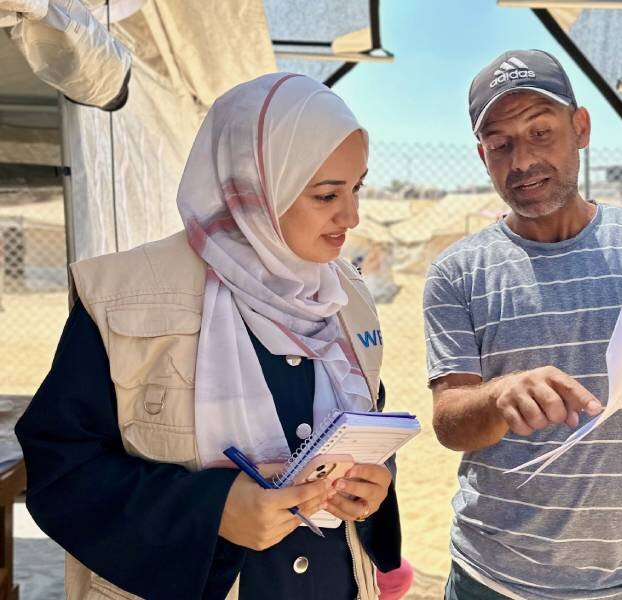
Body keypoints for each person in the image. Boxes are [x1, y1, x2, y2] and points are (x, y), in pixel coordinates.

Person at [16, 73, 403, 600]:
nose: (352, 216)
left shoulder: (345, 295)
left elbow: (366, 423)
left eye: (356, 188)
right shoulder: (122, 295)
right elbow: (63, 468)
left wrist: (373, 487)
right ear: (255, 188)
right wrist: (212, 510)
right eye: (326, 194)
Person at [424, 50, 622, 600]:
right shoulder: (458, 273)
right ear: (483, 155)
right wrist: (498, 397)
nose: (522, 159)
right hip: (495, 580)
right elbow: (450, 423)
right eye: (501, 144)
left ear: (580, 128)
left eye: (540, 131)